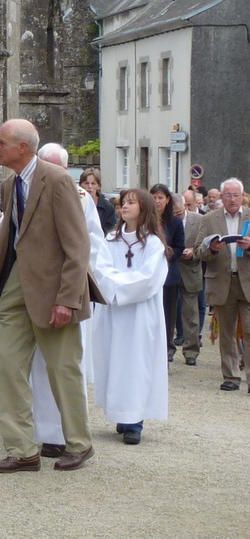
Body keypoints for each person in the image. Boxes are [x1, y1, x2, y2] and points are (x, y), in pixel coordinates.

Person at [0, 119, 94, 473]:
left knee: (63, 368)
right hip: (15, 284)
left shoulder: (58, 180)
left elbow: (77, 246)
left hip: (53, 289)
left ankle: (79, 444)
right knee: (8, 367)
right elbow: (12, 239)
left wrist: (67, 299)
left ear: (23, 147)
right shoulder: (8, 183)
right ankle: (23, 450)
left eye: (2, 143)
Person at [29, 142, 104, 458]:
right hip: (35, 290)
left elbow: (92, 246)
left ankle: (70, 433)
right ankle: (46, 432)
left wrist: (73, 289)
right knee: (39, 367)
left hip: (66, 291)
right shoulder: (27, 191)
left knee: (65, 366)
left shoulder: (81, 198)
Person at [92, 189, 169, 445]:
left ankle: (135, 421)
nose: (124, 206)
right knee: (116, 362)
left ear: (144, 208)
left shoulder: (153, 242)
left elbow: (149, 278)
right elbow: (100, 270)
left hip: (139, 314)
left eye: (131, 203)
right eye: (123, 202)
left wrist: (117, 285)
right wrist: (113, 286)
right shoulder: (112, 238)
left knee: (136, 364)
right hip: (114, 312)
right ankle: (121, 414)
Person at [195, 177, 250, 392]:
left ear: (242, 196)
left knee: (249, 330)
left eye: (236, 195)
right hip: (222, 282)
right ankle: (231, 377)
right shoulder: (209, 219)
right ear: (222, 197)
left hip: (247, 281)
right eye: (228, 195)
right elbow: (199, 250)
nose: (232, 199)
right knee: (226, 333)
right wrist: (213, 249)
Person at [150, 184, 185, 363]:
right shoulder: (144, 220)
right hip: (148, 275)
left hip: (168, 276)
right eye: (154, 197)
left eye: (160, 197)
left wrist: (165, 252)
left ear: (167, 200)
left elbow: (180, 247)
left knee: (166, 317)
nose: (157, 201)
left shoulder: (175, 222)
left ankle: (165, 351)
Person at [172, 194, 203, 365]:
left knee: (191, 314)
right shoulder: (164, 220)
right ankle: (168, 349)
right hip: (172, 270)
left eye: (178, 212)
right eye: (173, 213)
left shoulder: (199, 220)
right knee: (168, 313)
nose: (176, 216)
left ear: (185, 207)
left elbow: (205, 245)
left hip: (191, 270)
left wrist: (193, 252)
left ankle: (191, 351)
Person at [79, 168, 116, 236]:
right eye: (86, 183)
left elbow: (110, 230)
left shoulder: (107, 207)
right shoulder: (75, 204)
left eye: (93, 183)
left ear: (98, 186)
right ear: (80, 185)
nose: (89, 186)